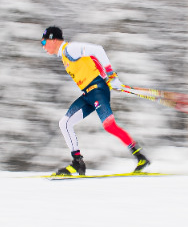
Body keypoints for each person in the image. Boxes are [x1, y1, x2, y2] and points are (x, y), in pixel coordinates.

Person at [41, 26, 149, 175]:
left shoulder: (70, 49)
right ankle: (77, 163)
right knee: (64, 123)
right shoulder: (65, 57)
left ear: (53, 40)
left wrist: (111, 76)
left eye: (44, 43)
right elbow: (93, 60)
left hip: (97, 91)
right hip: (88, 94)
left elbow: (98, 50)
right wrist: (107, 77)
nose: (43, 47)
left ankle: (140, 158)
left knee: (109, 126)